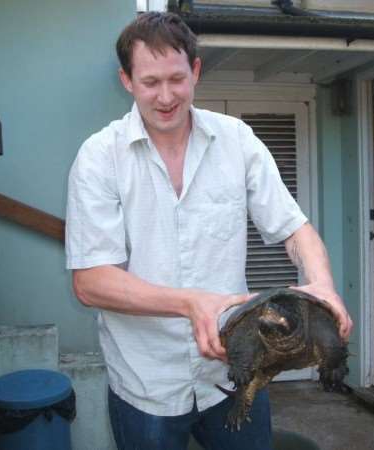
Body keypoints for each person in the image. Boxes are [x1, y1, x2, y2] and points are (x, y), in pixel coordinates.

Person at [65, 11, 353, 450]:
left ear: (196, 71)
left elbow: (295, 229)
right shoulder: (99, 156)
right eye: (150, 82)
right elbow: (90, 281)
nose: (165, 96)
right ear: (127, 80)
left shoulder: (237, 140)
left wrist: (324, 285)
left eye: (176, 79)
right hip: (146, 384)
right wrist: (190, 303)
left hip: (235, 375)